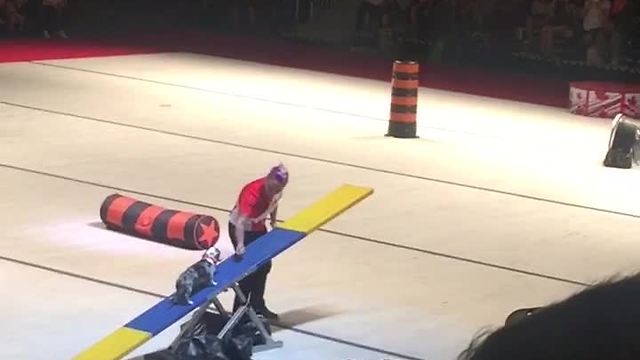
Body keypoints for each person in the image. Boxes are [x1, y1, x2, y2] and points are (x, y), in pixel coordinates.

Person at [228, 163, 289, 320]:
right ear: (267, 180)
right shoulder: (251, 193)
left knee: (264, 266)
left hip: (257, 227)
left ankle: (257, 304)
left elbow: (274, 204)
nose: (274, 192)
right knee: (248, 271)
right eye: (271, 189)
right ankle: (238, 313)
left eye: (278, 189)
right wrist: (240, 244)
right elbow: (240, 223)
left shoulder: (277, 189)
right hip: (241, 229)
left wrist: (273, 221)